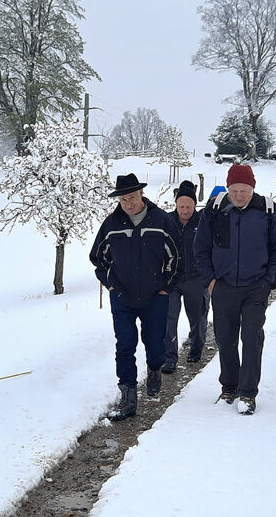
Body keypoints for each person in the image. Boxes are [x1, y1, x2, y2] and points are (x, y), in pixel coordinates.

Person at [194, 164, 276, 415]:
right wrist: (210, 281)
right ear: (228, 188)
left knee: (252, 339)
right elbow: (200, 248)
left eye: (244, 190)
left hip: (255, 287)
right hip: (223, 287)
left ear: (252, 188)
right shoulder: (215, 210)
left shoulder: (267, 210)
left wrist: (268, 282)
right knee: (225, 339)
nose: (239, 195)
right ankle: (229, 387)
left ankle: (247, 393)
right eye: (234, 189)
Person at [89, 173, 180, 421]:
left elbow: (177, 256)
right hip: (122, 297)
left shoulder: (160, 220)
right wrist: (110, 285)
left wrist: (165, 287)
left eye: (131, 197)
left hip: (155, 297)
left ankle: (154, 369)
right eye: (122, 199)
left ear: (141, 193)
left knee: (155, 344)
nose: (128, 203)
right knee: (125, 344)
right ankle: (128, 396)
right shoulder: (111, 224)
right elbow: (98, 257)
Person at [162, 180, 207, 373]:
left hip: (196, 278)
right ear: (176, 204)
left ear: (194, 205)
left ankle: (196, 348)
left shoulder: (203, 222)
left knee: (197, 317)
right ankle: (170, 357)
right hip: (172, 279)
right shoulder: (167, 221)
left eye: (189, 206)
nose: (185, 210)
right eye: (181, 206)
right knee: (168, 318)